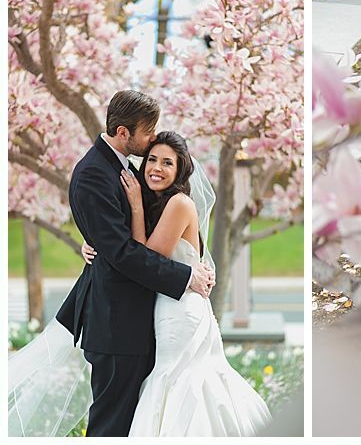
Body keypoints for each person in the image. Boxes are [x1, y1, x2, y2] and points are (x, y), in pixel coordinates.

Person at [15, 90, 215, 437]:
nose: (152, 140)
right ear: (124, 133)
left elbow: (149, 228)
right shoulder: (94, 173)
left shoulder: (126, 168)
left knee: (138, 422)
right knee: (111, 427)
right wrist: (185, 276)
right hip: (117, 326)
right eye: (148, 131)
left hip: (142, 320)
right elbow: (122, 252)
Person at [83, 131, 272, 436]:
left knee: (183, 382)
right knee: (175, 380)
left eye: (167, 163)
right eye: (152, 160)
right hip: (170, 302)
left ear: (180, 169)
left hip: (180, 308)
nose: (156, 168)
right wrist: (91, 242)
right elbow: (121, 239)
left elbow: (144, 255)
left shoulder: (179, 204)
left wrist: (135, 206)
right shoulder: (161, 201)